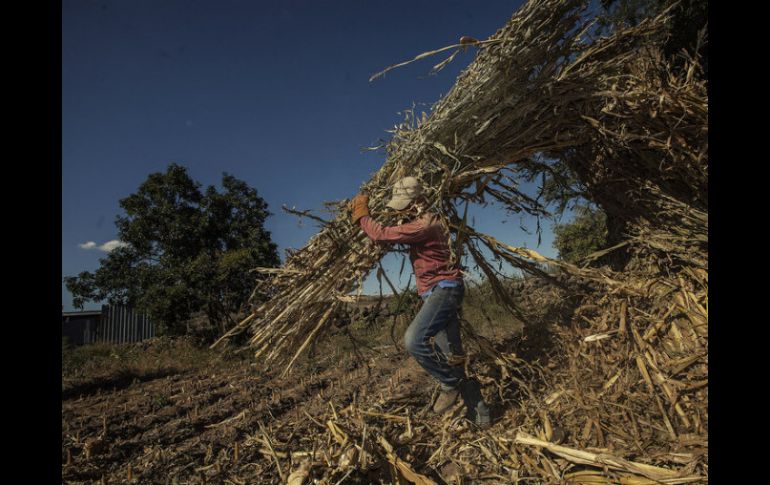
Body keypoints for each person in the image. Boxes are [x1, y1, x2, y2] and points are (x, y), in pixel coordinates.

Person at [350, 176, 491, 428]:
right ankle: (481, 416)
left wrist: (362, 214)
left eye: (405, 205)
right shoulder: (425, 221)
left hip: (443, 291)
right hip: (437, 293)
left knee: (413, 340)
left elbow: (380, 234)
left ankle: (448, 385)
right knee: (452, 358)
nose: (402, 210)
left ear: (418, 202)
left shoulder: (425, 225)